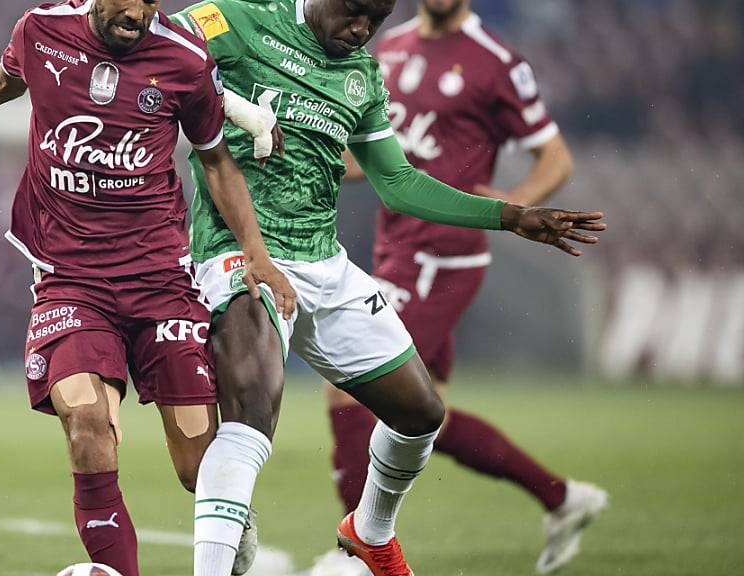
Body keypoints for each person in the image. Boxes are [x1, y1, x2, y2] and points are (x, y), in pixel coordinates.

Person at [0, 1, 297, 574]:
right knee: (85, 419)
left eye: (151, 1)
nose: (141, 12)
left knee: (198, 468)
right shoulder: (42, 30)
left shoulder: (183, 57)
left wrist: (258, 256)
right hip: (71, 279)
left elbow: (216, 161)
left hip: (160, 281)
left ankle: (231, 514)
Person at [171, 0, 605, 575]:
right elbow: (152, 46)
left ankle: (369, 531)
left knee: (421, 413)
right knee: (252, 412)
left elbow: (396, 183)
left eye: (374, 21)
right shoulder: (237, 20)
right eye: (353, 13)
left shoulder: (362, 75)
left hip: (325, 263)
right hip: (239, 254)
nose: (361, 30)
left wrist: (511, 215)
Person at [313, 2, 609, 574]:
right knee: (424, 414)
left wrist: (513, 206)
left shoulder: (494, 60)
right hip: (394, 243)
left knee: (349, 389)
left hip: (442, 257)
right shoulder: (388, 46)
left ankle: (354, 556)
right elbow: (373, 159)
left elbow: (556, 156)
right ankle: (564, 499)